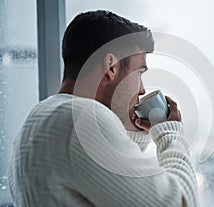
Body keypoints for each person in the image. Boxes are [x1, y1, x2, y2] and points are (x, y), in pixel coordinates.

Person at [8, 10, 199, 206]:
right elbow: (179, 202)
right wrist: (170, 134)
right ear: (111, 65)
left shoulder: (36, 120)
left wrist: (133, 131)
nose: (141, 89)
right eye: (139, 73)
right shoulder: (82, 119)